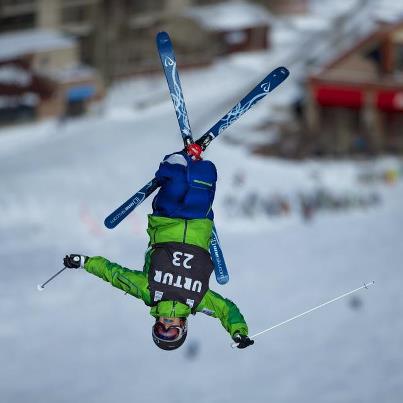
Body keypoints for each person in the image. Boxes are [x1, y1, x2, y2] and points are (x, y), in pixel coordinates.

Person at [64, 144, 254, 351]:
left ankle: (179, 158)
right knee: (205, 175)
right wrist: (239, 332)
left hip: (165, 221)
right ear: (183, 327)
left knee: (176, 181)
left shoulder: (149, 293)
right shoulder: (198, 302)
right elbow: (227, 310)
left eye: (159, 328)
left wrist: (85, 262)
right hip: (199, 224)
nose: (166, 324)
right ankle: (196, 159)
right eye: (171, 331)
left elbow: (114, 274)